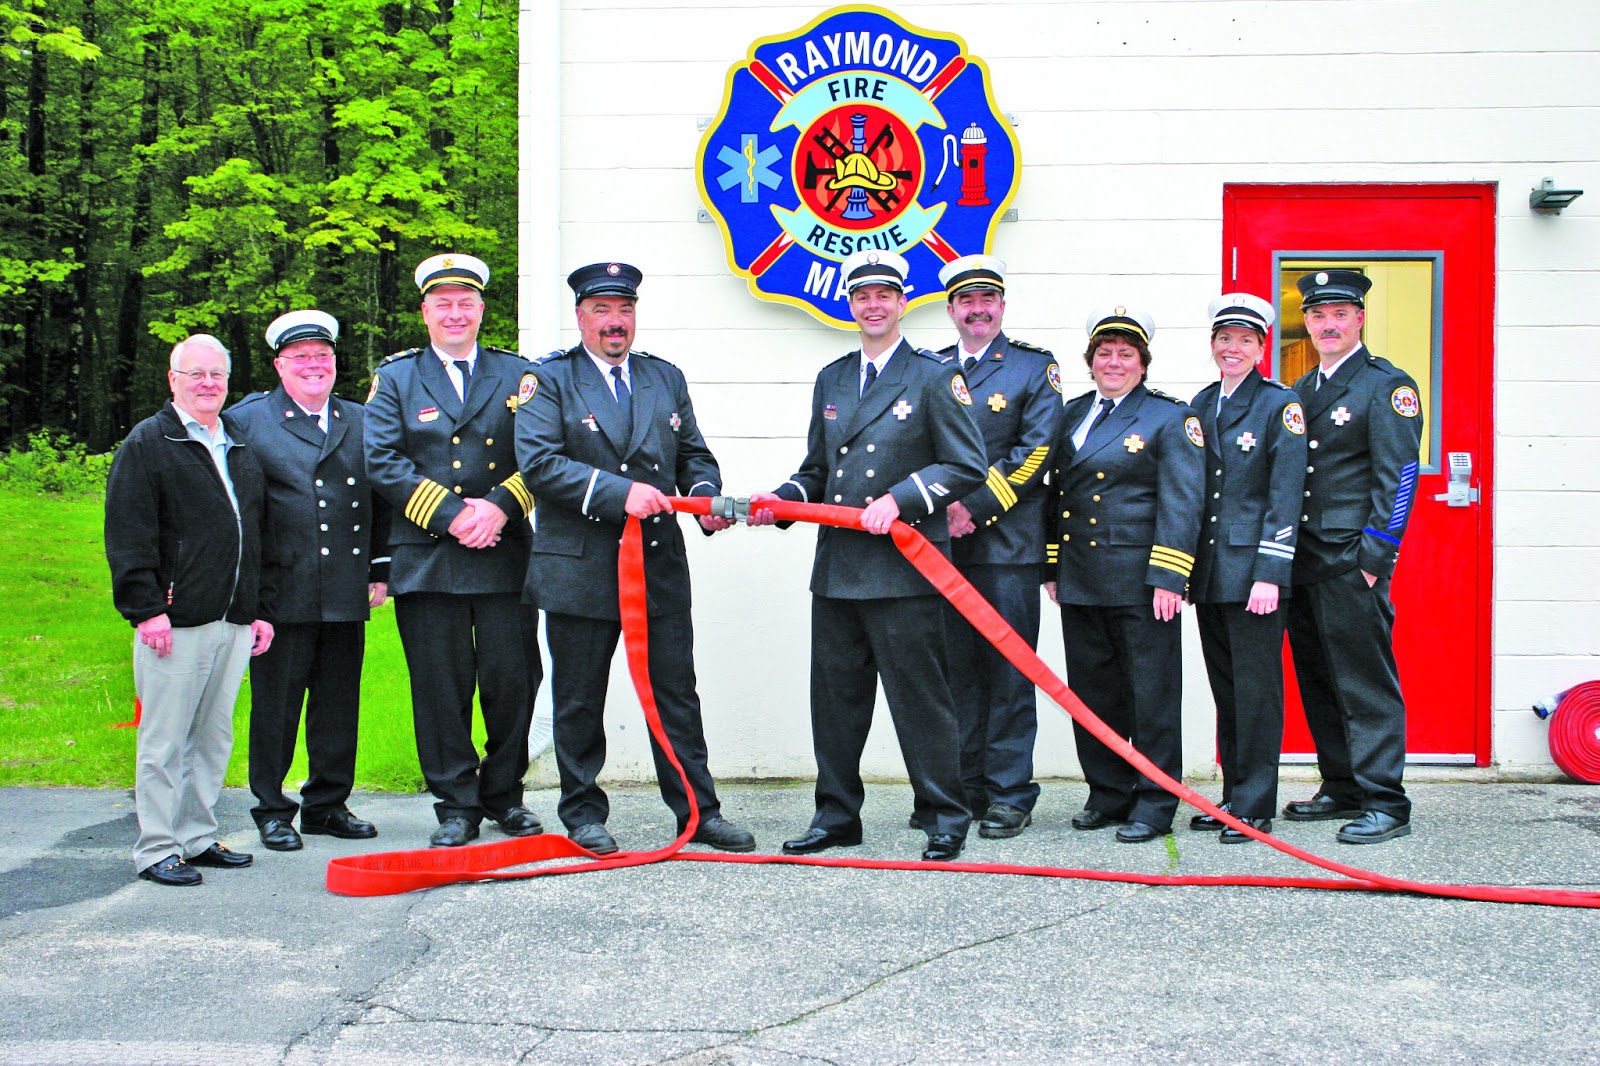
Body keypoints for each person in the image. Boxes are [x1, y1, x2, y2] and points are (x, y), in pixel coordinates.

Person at [750, 249, 987, 862]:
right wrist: (782, 502)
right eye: (862, 296)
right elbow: (818, 471)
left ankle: (943, 815)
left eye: (884, 294)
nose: (873, 305)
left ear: (902, 302)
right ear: (850, 305)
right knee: (835, 703)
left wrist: (903, 499)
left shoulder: (935, 375)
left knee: (921, 702)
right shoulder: (831, 377)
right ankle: (836, 817)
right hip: (838, 569)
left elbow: (966, 464)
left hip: (904, 570)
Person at [514, 262, 755, 855]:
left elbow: (693, 455)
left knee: (675, 693)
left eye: (623, 310)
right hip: (579, 564)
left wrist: (704, 497)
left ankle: (698, 813)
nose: (614, 322)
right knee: (579, 695)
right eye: (601, 311)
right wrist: (623, 495)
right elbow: (541, 464)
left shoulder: (664, 378)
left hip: (657, 563)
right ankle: (583, 814)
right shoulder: (546, 381)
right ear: (580, 317)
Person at [364, 253, 543, 848]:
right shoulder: (395, 378)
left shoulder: (518, 374)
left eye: (465, 302)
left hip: (504, 552)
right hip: (428, 554)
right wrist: (456, 515)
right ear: (425, 312)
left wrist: (497, 508)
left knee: (512, 682)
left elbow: (540, 455)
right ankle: (457, 804)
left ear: (482, 309)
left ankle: (505, 795)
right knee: (440, 687)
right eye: (442, 303)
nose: (455, 313)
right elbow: (382, 461)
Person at [105, 334, 274, 885]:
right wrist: (147, 608)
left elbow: (256, 534)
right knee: (164, 738)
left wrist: (257, 609)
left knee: (212, 736)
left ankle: (197, 837)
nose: (208, 384)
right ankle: (156, 848)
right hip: (174, 621)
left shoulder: (237, 441)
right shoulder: (150, 442)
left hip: (232, 619)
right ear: (173, 380)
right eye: (195, 374)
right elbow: (129, 532)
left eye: (217, 375)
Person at [224, 310, 392, 851]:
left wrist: (379, 569)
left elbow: (382, 496)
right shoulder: (247, 420)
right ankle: (271, 808)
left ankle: (327, 803)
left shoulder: (361, 419)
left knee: (338, 701)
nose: (314, 366)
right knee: (277, 705)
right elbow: (236, 508)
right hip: (281, 588)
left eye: (322, 356)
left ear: (335, 362)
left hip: (345, 583)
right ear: (279, 365)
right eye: (301, 358)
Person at [917, 254, 1062, 840]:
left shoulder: (1032, 367)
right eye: (966, 302)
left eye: (988, 300)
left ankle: (1008, 793)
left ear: (1001, 306)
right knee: (954, 671)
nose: (978, 311)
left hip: (1006, 545)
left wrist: (971, 508)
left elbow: (1037, 451)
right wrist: (935, 508)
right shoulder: (927, 369)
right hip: (940, 547)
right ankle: (963, 788)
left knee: (1006, 671)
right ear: (951, 308)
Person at [1045, 307, 1204, 843]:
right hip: (1083, 578)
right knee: (1094, 694)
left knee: (1152, 695)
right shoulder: (1069, 414)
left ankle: (1156, 801)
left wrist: (1170, 575)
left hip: (1141, 580)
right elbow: (1057, 493)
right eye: (1105, 354)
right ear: (1090, 363)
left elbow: (1183, 501)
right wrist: (1052, 564)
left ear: (1142, 364)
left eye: (1126, 355)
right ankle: (1108, 793)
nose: (1114, 362)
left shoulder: (1167, 417)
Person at [1281, 269, 1424, 844]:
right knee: (1318, 677)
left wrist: (1376, 557)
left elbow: (1401, 478)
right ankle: (1342, 785)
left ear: (1360, 318)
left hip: (1350, 558)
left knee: (1364, 681)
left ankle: (1386, 801)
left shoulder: (1386, 385)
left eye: (1339, 314)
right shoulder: (1302, 390)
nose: (1328, 324)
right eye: (1317, 315)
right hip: (1304, 559)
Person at [1187, 294, 1306, 843]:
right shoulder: (1203, 401)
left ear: (1261, 348)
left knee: (1257, 691)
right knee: (1228, 688)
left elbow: (1286, 494)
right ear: (1213, 345)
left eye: (1244, 340)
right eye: (1224, 339)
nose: (1232, 348)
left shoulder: (1278, 405)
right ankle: (1235, 795)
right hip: (1212, 570)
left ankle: (1256, 804)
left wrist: (1270, 573)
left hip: (1254, 572)